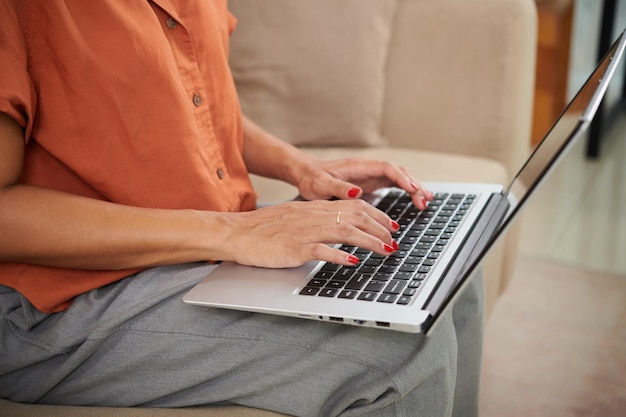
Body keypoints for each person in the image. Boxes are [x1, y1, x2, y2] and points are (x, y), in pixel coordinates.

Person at [0, 1, 485, 416]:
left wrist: (303, 169)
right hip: (54, 305)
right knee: (402, 346)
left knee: (454, 269)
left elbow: (194, 100)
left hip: (197, 244)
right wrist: (232, 233)